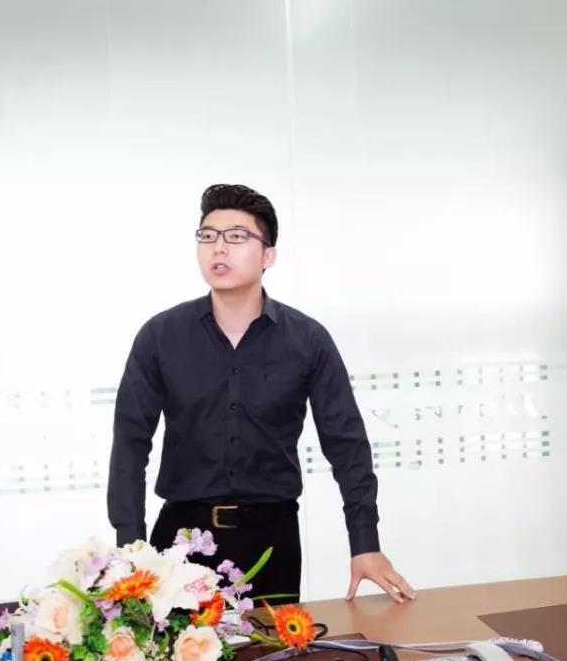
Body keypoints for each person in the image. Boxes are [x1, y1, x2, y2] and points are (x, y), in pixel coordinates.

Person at [107, 183, 415, 605]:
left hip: (272, 541)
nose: (219, 247)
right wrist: (131, 547)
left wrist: (365, 542)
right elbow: (130, 442)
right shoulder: (160, 336)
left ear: (268, 255)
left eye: (237, 236)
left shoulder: (308, 340)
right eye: (208, 235)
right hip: (180, 543)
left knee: (275, 648)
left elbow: (347, 444)